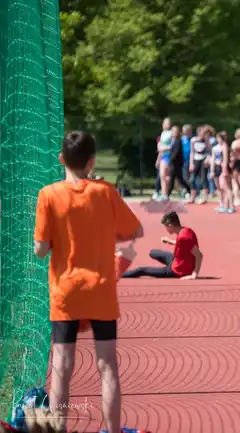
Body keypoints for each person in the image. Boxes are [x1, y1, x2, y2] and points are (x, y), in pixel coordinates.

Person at [33, 131, 144, 433]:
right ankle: (112, 429)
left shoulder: (48, 195)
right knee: (107, 365)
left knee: (62, 365)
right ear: (92, 161)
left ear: (61, 159)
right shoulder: (105, 192)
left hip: (65, 291)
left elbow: (41, 250)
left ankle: (58, 429)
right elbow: (136, 230)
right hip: (101, 290)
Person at [122, 211, 203, 279]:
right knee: (153, 252)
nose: (166, 229)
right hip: (176, 260)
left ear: (170, 226)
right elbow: (187, 245)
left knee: (141, 270)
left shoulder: (183, 237)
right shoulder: (187, 230)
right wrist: (170, 241)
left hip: (177, 270)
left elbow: (199, 255)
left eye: (166, 227)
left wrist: (194, 275)